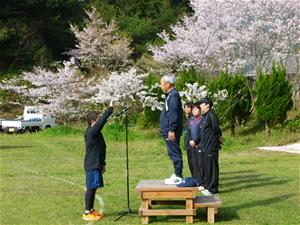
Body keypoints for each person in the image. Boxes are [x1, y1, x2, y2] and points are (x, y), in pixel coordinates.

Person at [82, 100, 114, 221]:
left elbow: (101, 149)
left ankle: (91, 210)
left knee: (93, 187)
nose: (100, 120)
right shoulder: (91, 132)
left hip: (97, 164)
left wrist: (103, 164)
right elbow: (101, 123)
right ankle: (86, 213)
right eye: (98, 119)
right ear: (93, 122)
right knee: (91, 188)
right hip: (92, 164)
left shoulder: (96, 133)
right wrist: (110, 109)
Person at [160, 74, 184, 185]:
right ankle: (176, 173)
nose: (161, 86)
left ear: (168, 84)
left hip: (171, 131)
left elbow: (173, 114)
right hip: (168, 130)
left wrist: (171, 129)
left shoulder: (173, 95)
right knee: (172, 152)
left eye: (162, 83)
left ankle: (178, 175)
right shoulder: (170, 95)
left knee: (174, 152)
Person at [198, 98, 222, 196]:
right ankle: (208, 186)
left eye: (202, 104)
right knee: (207, 167)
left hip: (211, 147)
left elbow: (217, 130)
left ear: (208, 105)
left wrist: (217, 139)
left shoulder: (211, 115)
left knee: (212, 168)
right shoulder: (205, 116)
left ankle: (213, 189)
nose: (200, 106)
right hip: (205, 146)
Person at [183, 102, 194, 177]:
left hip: (192, 145)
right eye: (185, 107)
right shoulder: (188, 119)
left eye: (188, 107)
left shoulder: (192, 119)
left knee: (193, 163)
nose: (186, 109)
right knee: (190, 162)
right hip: (188, 145)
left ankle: (197, 179)